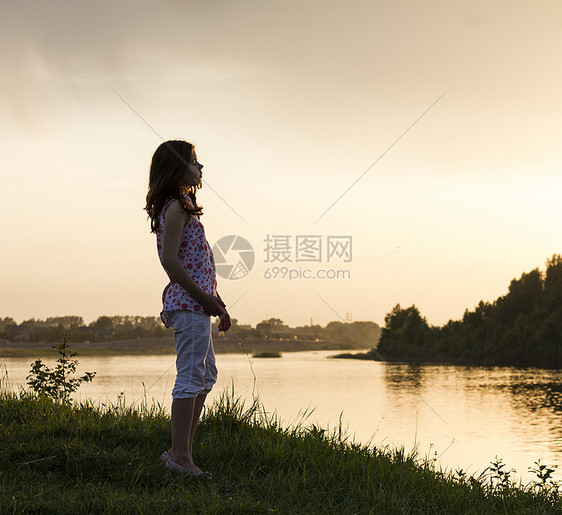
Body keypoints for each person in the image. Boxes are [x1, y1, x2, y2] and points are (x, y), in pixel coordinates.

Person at [145, 139, 231, 476]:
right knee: (191, 376)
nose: (200, 168)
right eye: (195, 161)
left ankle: (182, 454)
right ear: (177, 167)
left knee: (205, 375)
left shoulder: (184, 204)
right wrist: (204, 298)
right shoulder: (178, 207)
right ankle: (180, 457)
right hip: (188, 304)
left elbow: (198, 260)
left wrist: (215, 300)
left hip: (198, 303)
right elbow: (170, 260)